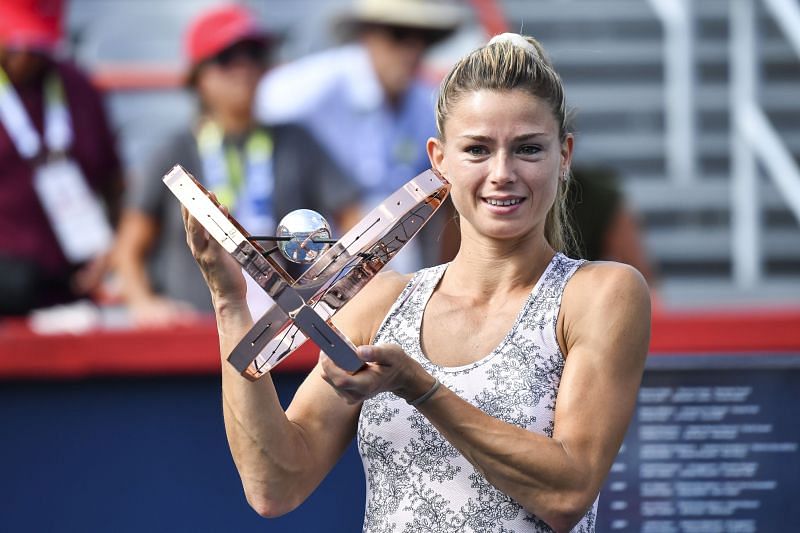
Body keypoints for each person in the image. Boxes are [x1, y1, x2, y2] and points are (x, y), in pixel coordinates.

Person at [184, 33, 651, 532]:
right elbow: (274, 485)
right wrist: (229, 302)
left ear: (565, 156)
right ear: (439, 160)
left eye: (528, 149)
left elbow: (567, 491)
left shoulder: (600, 294)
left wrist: (419, 386)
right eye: (477, 149)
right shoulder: (382, 302)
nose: (502, 173)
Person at [112, 4, 361, 327]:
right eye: (227, 58)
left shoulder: (297, 142)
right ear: (197, 76)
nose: (244, 69)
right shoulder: (174, 152)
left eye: (254, 56)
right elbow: (128, 249)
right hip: (194, 337)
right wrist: (144, 304)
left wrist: (330, 287)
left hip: (286, 335)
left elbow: (355, 221)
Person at [255, 0, 465, 272]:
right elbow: (264, 102)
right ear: (368, 35)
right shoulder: (327, 81)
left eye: (422, 39)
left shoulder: (424, 102)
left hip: (397, 247)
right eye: (398, 35)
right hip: (325, 247)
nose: (412, 50)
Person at [0, 0, 123, 315]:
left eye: (33, 42)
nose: (24, 52)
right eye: (13, 41)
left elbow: (113, 181)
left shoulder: (78, 88)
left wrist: (111, 250)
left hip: (71, 283)